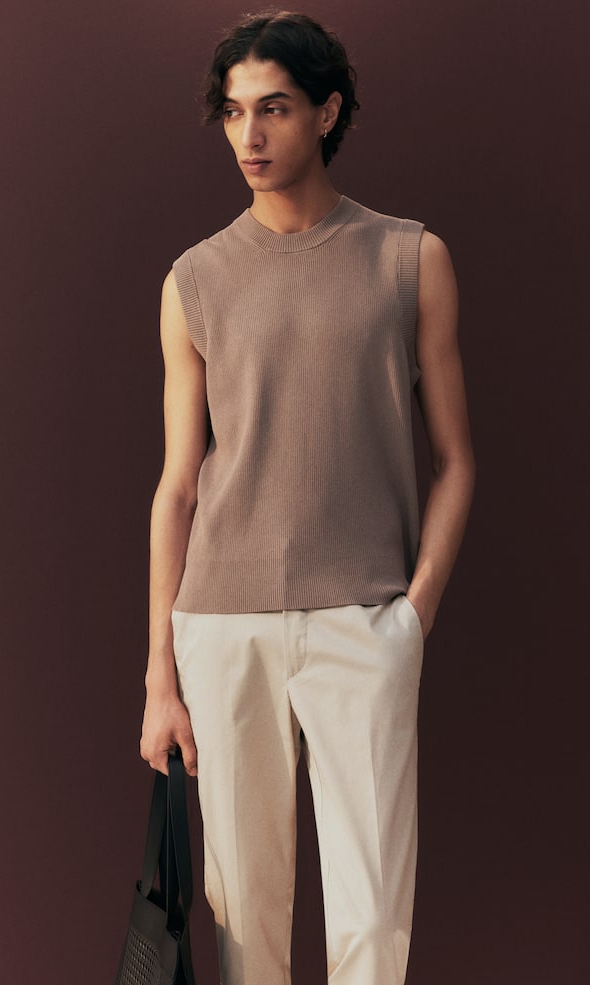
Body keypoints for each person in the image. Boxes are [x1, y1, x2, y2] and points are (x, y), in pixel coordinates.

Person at [140, 10, 475, 985]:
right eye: (233, 112)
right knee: (243, 914)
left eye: (274, 109)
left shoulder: (408, 259)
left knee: (370, 918)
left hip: (363, 620)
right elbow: (177, 484)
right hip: (220, 624)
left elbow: (457, 458)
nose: (248, 135)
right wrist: (160, 676)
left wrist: (411, 616)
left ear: (326, 113)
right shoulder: (194, 280)